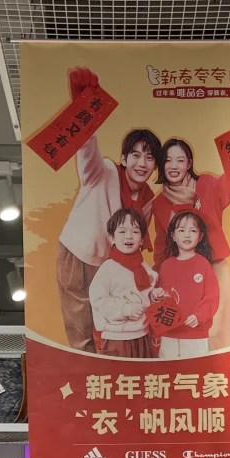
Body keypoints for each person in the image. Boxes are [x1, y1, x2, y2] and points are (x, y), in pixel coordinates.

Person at [56, 66, 161, 352]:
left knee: (112, 329)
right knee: (81, 329)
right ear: (124, 159)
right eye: (135, 155)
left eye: (149, 157)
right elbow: (86, 149)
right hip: (78, 254)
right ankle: (87, 374)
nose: (142, 163)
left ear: (155, 165)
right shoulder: (103, 171)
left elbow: (136, 237)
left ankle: (109, 374)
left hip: (112, 265)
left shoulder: (148, 198)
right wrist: (84, 109)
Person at [151, 134, 230, 351]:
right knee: (185, 325)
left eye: (180, 160)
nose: (174, 166)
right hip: (180, 272)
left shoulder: (207, 184)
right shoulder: (160, 202)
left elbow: (229, 187)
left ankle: (221, 369)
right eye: (168, 160)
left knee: (218, 326)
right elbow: (161, 244)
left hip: (214, 264)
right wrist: (156, 279)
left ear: (189, 164)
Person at [87, 208, 158, 358]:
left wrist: (155, 295)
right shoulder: (108, 268)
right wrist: (126, 309)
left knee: (144, 372)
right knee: (119, 373)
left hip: (142, 336)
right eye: (122, 231)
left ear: (142, 239)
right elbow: (98, 299)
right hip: (116, 338)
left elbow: (146, 296)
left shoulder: (144, 268)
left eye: (135, 231)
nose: (129, 236)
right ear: (112, 238)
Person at [151, 210, 220, 359]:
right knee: (168, 369)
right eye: (181, 230)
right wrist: (156, 295)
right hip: (168, 333)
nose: (187, 235)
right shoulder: (166, 265)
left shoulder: (203, 264)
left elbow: (212, 297)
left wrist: (199, 316)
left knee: (194, 369)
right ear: (173, 235)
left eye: (193, 231)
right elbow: (160, 296)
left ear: (200, 236)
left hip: (195, 333)